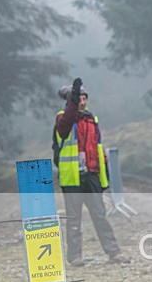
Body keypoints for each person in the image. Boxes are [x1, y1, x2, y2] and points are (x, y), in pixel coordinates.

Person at [54, 77, 129, 266]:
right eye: (79, 98)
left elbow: (99, 148)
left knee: (100, 216)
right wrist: (73, 98)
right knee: (73, 219)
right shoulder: (63, 119)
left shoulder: (92, 119)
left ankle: (114, 252)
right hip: (72, 178)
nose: (83, 102)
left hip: (92, 176)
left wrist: (105, 178)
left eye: (85, 98)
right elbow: (69, 117)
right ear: (71, 101)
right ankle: (75, 257)